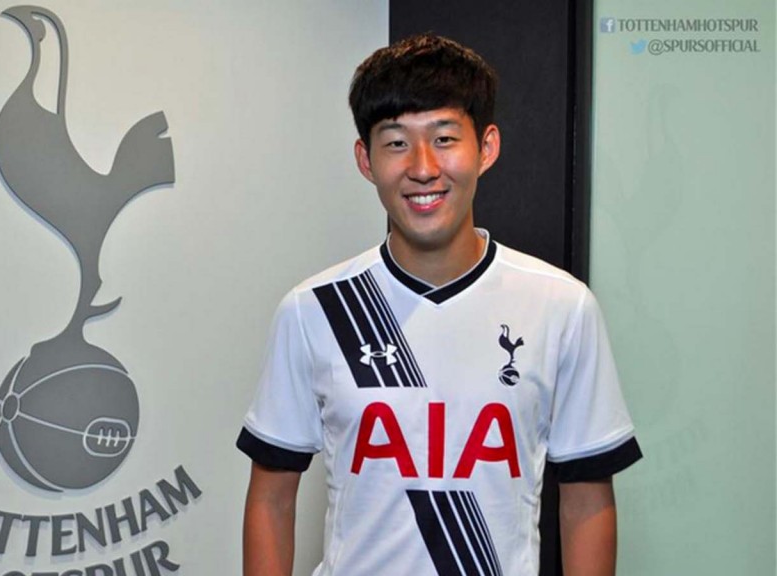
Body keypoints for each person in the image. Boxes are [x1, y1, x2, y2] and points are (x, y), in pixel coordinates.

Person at [236, 34, 641, 576]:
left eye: (445, 138)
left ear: (486, 147)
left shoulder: (561, 306)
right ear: (365, 158)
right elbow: (271, 498)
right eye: (397, 142)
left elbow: (586, 500)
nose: (423, 167)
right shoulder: (314, 310)